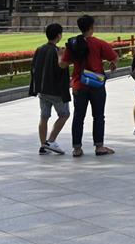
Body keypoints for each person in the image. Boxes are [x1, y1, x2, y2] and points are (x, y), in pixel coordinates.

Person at [61, 14, 117, 157]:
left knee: (78, 116)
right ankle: (99, 146)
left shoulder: (73, 44)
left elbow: (63, 64)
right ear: (92, 27)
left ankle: (77, 148)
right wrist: (112, 63)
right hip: (96, 83)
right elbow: (114, 57)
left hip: (79, 84)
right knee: (98, 116)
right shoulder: (98, 43)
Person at [30, 22, 69, 155]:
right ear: (59, 35)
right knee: (64, 114)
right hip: (56, 90)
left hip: (42, 89)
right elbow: (61, 68)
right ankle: (50, 140)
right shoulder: (58, 51)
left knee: (44, 117)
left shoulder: (40, 49)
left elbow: (34, 68)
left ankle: (43, 145)